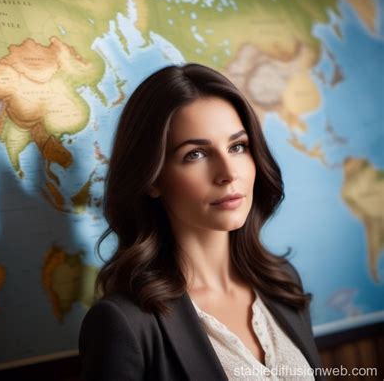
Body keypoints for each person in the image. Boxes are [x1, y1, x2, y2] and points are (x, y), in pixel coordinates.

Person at [79, 63, 323, 381]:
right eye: (195, 154)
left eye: (238, 147)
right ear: (152, 178)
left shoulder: (282, 282)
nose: (228, 173)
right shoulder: (124, 322)